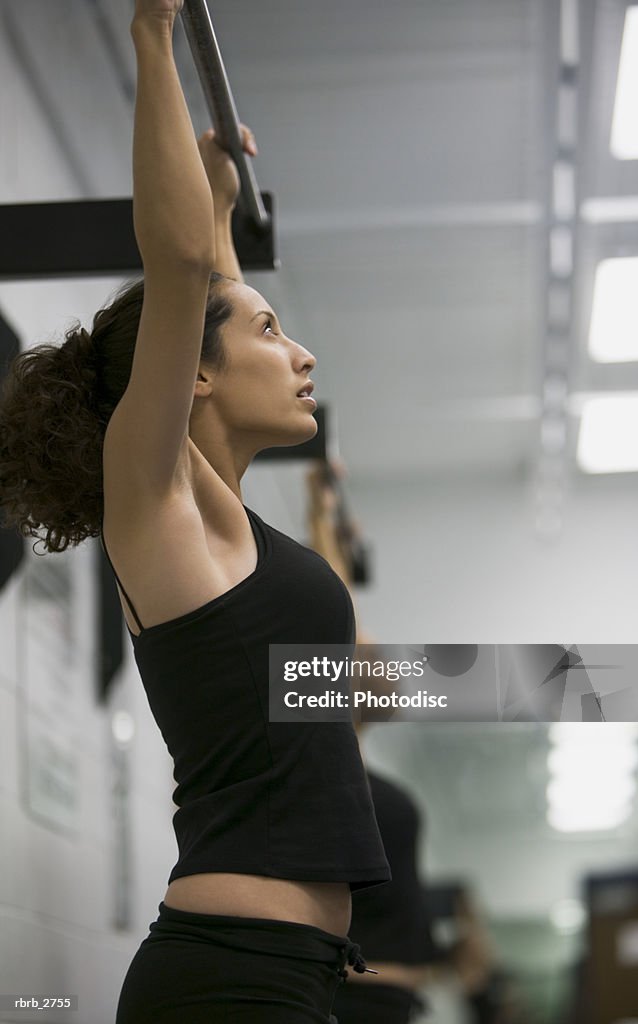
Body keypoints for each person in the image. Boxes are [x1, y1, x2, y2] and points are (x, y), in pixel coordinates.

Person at [0, 1, 390, 1021]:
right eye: (272, 330)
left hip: (286, 973)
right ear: (198, 381)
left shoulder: (225, 528)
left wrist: (216, 196)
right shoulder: (156, 504)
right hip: (231, 977)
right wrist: (153, 35)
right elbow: (182, 276)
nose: (302, 353)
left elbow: (205, 283)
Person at [306, 463, 436, 1023]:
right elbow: (328, 613)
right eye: (367, 647)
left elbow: (336, 613)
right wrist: (320, 514)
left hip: (389, 1001)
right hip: (352, 1001)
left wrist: (330, 519)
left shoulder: (354, 767)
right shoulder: (322, 757)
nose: (381, 653)